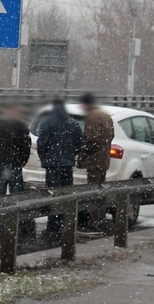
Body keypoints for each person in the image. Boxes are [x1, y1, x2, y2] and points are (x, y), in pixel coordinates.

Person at [37, 97, 84, 240]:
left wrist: (45, 157)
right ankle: (65, 222)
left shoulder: (47, 123)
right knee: (65, 194)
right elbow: (79, 143)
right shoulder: (72, 123)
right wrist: (70, 155)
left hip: (52, 165)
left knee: (53, 194)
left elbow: (41, 143)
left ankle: (53, 224)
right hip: (67, 165)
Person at [0, 102, 35, 237]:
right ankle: (15, 219)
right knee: (16, 192)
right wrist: (22, 161)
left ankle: (1, 218)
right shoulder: (20, 125)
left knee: (0, 191)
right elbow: (26, 145)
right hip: (14, 164)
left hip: (1, 162)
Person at [78, 93, 114, 229]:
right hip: (104, 160)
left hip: (94, 160)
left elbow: (91, 139)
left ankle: (94, 222)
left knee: (93, 191)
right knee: (101, 191)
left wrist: (82, 152)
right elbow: (111, 136)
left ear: (86, 104)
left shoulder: (92, 117)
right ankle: (101, 217)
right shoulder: (106, 116)